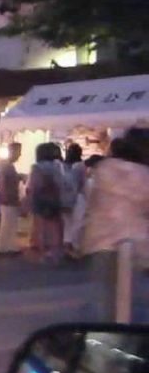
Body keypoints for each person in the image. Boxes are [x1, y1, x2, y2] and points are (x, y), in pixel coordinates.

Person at [82, 129, 149, 320]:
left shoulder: (103, 169)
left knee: (105, 299)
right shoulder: (144, 175)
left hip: (100, 241)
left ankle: (107, 339)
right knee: (130, 300)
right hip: (135, 243)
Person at [26, 142, 67, 264]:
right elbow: (62, 183)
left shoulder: (37, 167)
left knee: (40, 226)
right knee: (55, 226)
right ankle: (56, 252)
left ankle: (43, 253)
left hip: (40, 198)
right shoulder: (58, 166)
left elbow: (34, 185)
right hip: (55, 198)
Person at [0, 142, 23, 254]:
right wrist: (4, 196)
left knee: (10, 222)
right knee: (8, 222)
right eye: (18, 152)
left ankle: (9, 245)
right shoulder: (6, 165)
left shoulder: (8, 165)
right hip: (8, 197)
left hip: (11, 197)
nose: (19, 154)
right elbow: (2, 181)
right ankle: (5, 246)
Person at [62, 143, 87, 257]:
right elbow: (82, 183)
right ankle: (75, 247)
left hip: (64, 197)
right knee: (78, 223)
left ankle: (66, 246)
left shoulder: (62, 165)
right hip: (78, 197)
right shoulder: (80, 166)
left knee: (67, 223)